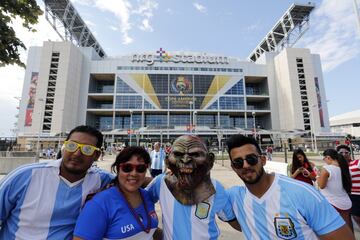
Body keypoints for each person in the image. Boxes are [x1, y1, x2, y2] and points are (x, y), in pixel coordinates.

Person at [226, 134, 354, 240]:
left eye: (251, 159)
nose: (246, 165)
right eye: (238, 162)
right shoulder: (234, 197)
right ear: (233, 167)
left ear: (263, 160)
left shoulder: (303, 193)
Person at [0, 125, 114, 239]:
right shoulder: (25, 176)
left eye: (87, 149)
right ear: (63, 147)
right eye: (72, 145)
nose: (77, 153)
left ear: (97, 155)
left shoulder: (101, 180)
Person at [146, 135, 240, 239]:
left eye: (195, 154)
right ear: (168, 160)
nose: (185, 160)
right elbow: (139, 202)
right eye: (178, 154)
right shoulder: (160, 183)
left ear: (210, 160)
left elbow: (232, 219)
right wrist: (153, 230)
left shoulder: (217, 188)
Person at [73, 146, 158, 240]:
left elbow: (147, 228)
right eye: (127, 168)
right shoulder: (98, 205)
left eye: (140, 168)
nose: (134, 173)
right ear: (118, 169)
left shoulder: (147, 196)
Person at [317, 149, 353, 231]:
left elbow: (321, 186)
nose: (324, 161)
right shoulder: (345, 168)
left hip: (331, 202)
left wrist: (318, 176)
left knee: (333, 230)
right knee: (347, 227)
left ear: (328, 157)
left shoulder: (326, 169)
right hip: (346, 202)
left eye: (324, 159)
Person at [337, 144, 360, 228]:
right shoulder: (338, 167)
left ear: (349, 154)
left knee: (357, 217)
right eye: (341, 152)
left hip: (357, 195)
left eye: (346, 152)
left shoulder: (356, 163)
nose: (344, 154)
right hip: (346, 195)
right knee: (351, 218)